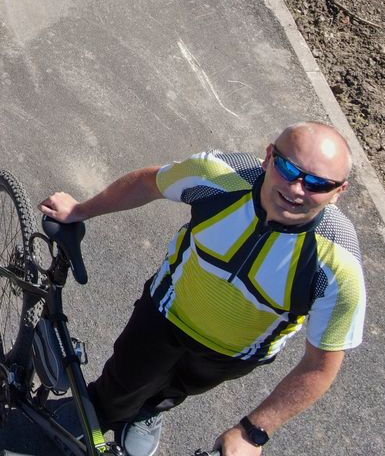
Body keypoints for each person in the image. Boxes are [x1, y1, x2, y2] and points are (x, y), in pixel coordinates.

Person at [39, 123, 366, 456]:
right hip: (165, 315)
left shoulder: (339, 265)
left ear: (339, 191)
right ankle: (101, 409)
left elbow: (320, 366)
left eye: (317, 184)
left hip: (231, 356)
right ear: (269, 157)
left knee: (177, 389)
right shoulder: (220, 177)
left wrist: (253, 433)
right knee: (123, 382)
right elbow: (148, 183)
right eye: (288, 168)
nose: (297, 189)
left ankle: (151, 410)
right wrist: (81, 210)